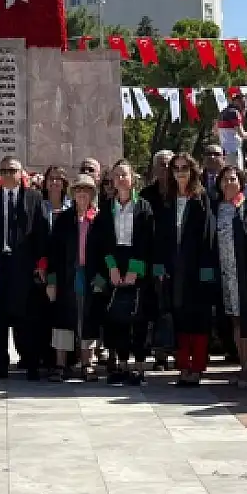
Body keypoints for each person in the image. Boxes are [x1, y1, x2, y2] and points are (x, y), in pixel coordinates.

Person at [91, 161, 155, 385]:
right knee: (115, 318)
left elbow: (147, 241)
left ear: (132, 178)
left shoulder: (144, 207)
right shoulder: (107, 208)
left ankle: (138, 366)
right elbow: (102, 242)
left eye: (124, 175)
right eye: (116, 175)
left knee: (137, 317)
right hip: (114, 265)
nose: (120, 179)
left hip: (136, 264)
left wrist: (134, 271)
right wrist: (112, 268)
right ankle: (120, 364)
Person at [0, 155, 44, 380]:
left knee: (28, 318)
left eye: (13, 171)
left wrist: (41, 264)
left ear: (21, 173)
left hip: (25, 266)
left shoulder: (34, 198)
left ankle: (32, 363)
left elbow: (41, 234)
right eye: (4, 171)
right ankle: (0, 365)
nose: (8, 175)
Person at [157, 153, 217, 387]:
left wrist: (207, 273)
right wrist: (160, 267)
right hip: (174, 269)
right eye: (176, 168)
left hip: (198, 268)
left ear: (192, 171)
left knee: (199, 320)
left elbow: (209, 238)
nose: (180, 172)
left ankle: (197, 367)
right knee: (179, 318)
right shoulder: (168, 200)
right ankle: (183, 367)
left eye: (184, 168)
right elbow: (161, 237)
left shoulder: (202, 198)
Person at [44, 175, 99, 380]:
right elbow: (53, 252)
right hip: (66, 275)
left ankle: (87, 363)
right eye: (78, 190)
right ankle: (60, 364)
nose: (82, 194)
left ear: (92, 194)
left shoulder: (98, 219)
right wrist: (51, 281)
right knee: (63, 318)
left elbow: (105, 251)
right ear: (73, 194)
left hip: (90, 276)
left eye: (86, 190)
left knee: (88, 319)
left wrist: (101, 278)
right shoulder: (64, 219)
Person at [213, 165, 247, 388]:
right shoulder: (216, 208)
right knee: (235, 320)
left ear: (241, 182)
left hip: (245, 274)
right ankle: (241, 363)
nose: (228, 183)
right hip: (225, 273)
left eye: (233, 179)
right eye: (224, 180)